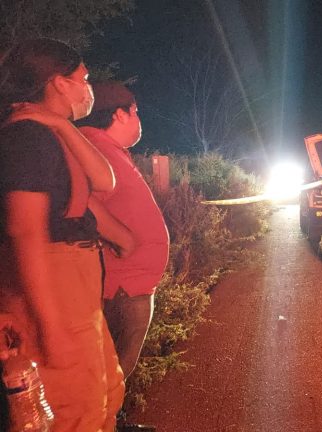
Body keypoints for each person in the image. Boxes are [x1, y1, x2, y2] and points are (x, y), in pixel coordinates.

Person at [0, 38, 124, 431]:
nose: (87, 87)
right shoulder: (26, 140)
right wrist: (49, 325)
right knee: (71, 410)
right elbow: (24, 232)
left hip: (77, 291)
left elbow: (105, 180)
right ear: (58, 82)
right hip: (55, 289)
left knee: (102, 396)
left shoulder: (47, 132)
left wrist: (58, 123)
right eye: (82, 77)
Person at [77, 81, 168, 432]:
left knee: (114, 371)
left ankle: (110, 420)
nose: (138, 119)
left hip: (133, 283)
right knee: (108, 370)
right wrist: (121, 237)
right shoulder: (89, 146)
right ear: (119, 113)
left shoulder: (106, 147)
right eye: (135, 112)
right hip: (121, 286)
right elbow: (78, 196)